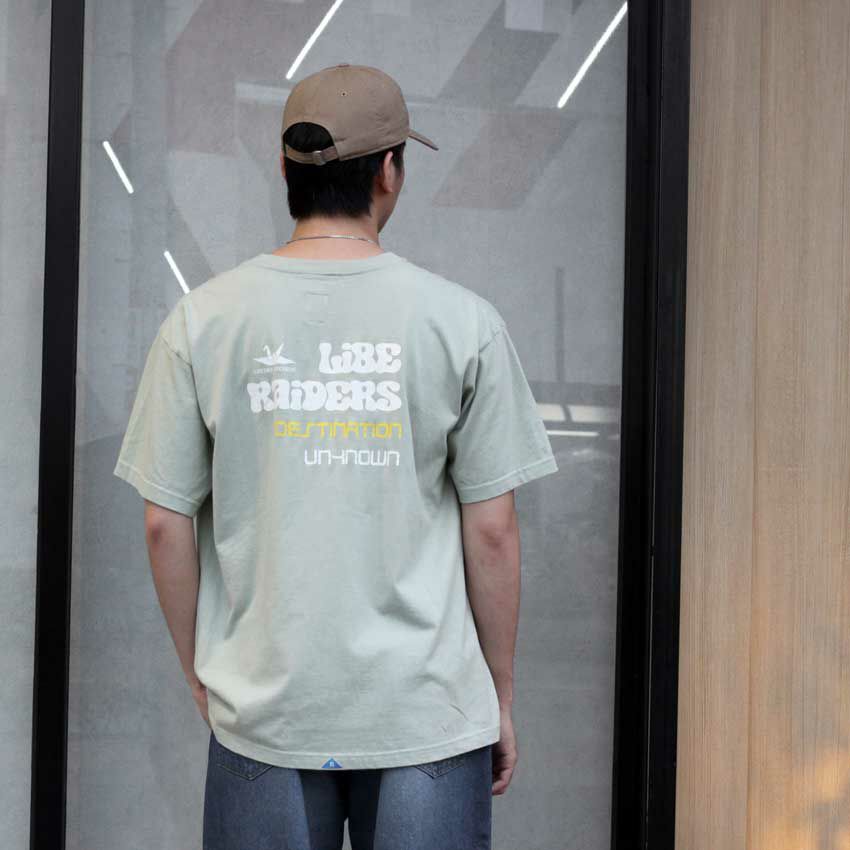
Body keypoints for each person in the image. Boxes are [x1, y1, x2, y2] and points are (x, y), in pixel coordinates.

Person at [113, 63, 558, 850]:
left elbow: (162, 523)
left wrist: (201, 672)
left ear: (285, 171)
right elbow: (493, 531)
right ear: (390, 171)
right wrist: (500, 696)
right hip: (426, 715)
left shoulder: (202, 321)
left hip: (266, 713)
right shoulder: (462, 323)